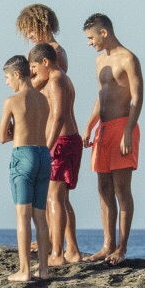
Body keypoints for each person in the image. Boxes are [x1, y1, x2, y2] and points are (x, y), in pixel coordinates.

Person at [81, 13, 143, 264]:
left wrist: (129, 129)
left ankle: (122, 247)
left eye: (91, 37)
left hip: (122, 127)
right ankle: (107, 245)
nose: (89, 42)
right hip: (103, 129)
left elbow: (137, 97)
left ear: (104, 32)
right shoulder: (99, 61)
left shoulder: (128, 58)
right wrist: (89, 126)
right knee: (103, 188)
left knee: (121, 189)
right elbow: (102, 96)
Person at [28, 43, 82, 265]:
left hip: (61, 142)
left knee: (54, 198)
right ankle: (72, 251)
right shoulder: (56, 78)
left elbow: (59, 116)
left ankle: (58, 253)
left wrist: (47, 148)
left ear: (45, 62)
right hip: (63, 141)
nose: (32, 71)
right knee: (59, 198)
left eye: (34, 66)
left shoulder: (58, 79)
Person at [0, 55, 52, 282]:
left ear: (17, 74)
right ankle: (44, 269)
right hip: (43, 155)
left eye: (7, 77)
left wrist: (14, 128)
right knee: (40, 217)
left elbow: (2, 136)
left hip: (23, 155)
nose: (6, 82)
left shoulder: (12, 101)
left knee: (22, 215)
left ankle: (25, 270)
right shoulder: (43, 99)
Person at [16, 3, 69, 86]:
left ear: (43, 26)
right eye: (26, 33)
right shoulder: (36, 51)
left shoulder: (55, 52)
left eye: (31, 31)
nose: (29, 36)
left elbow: (34, 83)